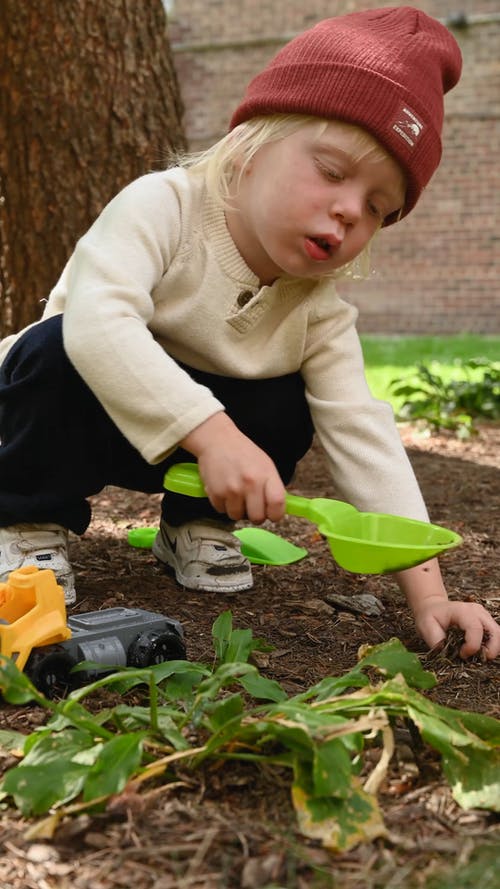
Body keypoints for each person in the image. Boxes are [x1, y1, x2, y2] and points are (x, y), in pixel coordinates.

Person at [0, 6, 499, 661]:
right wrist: (212, 435)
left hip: (190, 461)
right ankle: (24, 518)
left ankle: (197, 522)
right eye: (331, 170)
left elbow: (363, 431)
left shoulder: (317, 309)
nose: (351, 208)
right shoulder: (164, 206)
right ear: (255, 144)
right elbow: (98, 324)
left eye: (378, 206)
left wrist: (430, 594)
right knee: (58, 345)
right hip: (72, 414)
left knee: (286, 399)